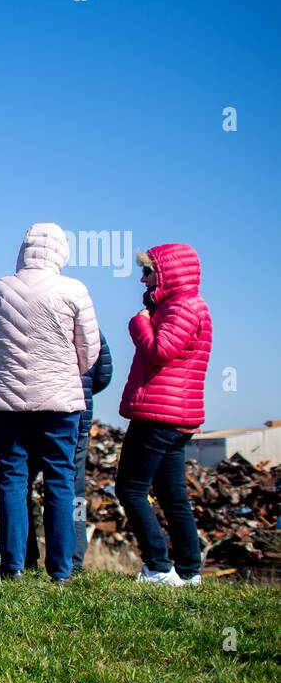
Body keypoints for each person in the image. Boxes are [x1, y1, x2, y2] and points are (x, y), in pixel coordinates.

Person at [0, 223, 99, 583]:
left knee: (13, 479)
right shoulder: (74, 290)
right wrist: (62, 373)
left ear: (24, 249)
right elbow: (89, 352)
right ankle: (61, 572)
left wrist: (12, 374)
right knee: (61, 481)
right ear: (61, 252)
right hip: (61, 404)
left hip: (8, 404)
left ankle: (12, 566)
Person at [115, 245, 213, 586]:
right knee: (172, 495)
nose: (142, 279)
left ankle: (157, 566)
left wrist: (138, 322)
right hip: (174, 416)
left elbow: (160, 350)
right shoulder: (182, 305)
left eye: (148, 271)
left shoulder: (183, 306)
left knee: (130, 489)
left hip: (157, 415)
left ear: (168, 274)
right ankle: (188, 572)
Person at [25, 332, 112, 572]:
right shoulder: (92, 330)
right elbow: (104, 375)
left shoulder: (36, 320)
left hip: (32, 415)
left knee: (22, 486)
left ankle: (25, 556)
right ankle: (72, 559)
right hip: (76, 417)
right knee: (74, 492)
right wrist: (80, 391)